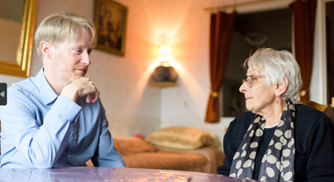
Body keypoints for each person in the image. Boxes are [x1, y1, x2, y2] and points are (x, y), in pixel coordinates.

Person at [0, 13, 125, 168]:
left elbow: (110, 162)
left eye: (89, 51)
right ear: (47, 50)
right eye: (78, 50)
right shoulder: (12, 97)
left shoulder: (91, 102)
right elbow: (41, 159)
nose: (88, 61)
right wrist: (67, 98)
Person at [217, 48, 334, 181]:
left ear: (279, 86)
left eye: (252, 79)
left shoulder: (314, 124)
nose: (242, 88)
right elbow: (225, 175)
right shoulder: (238, 126)